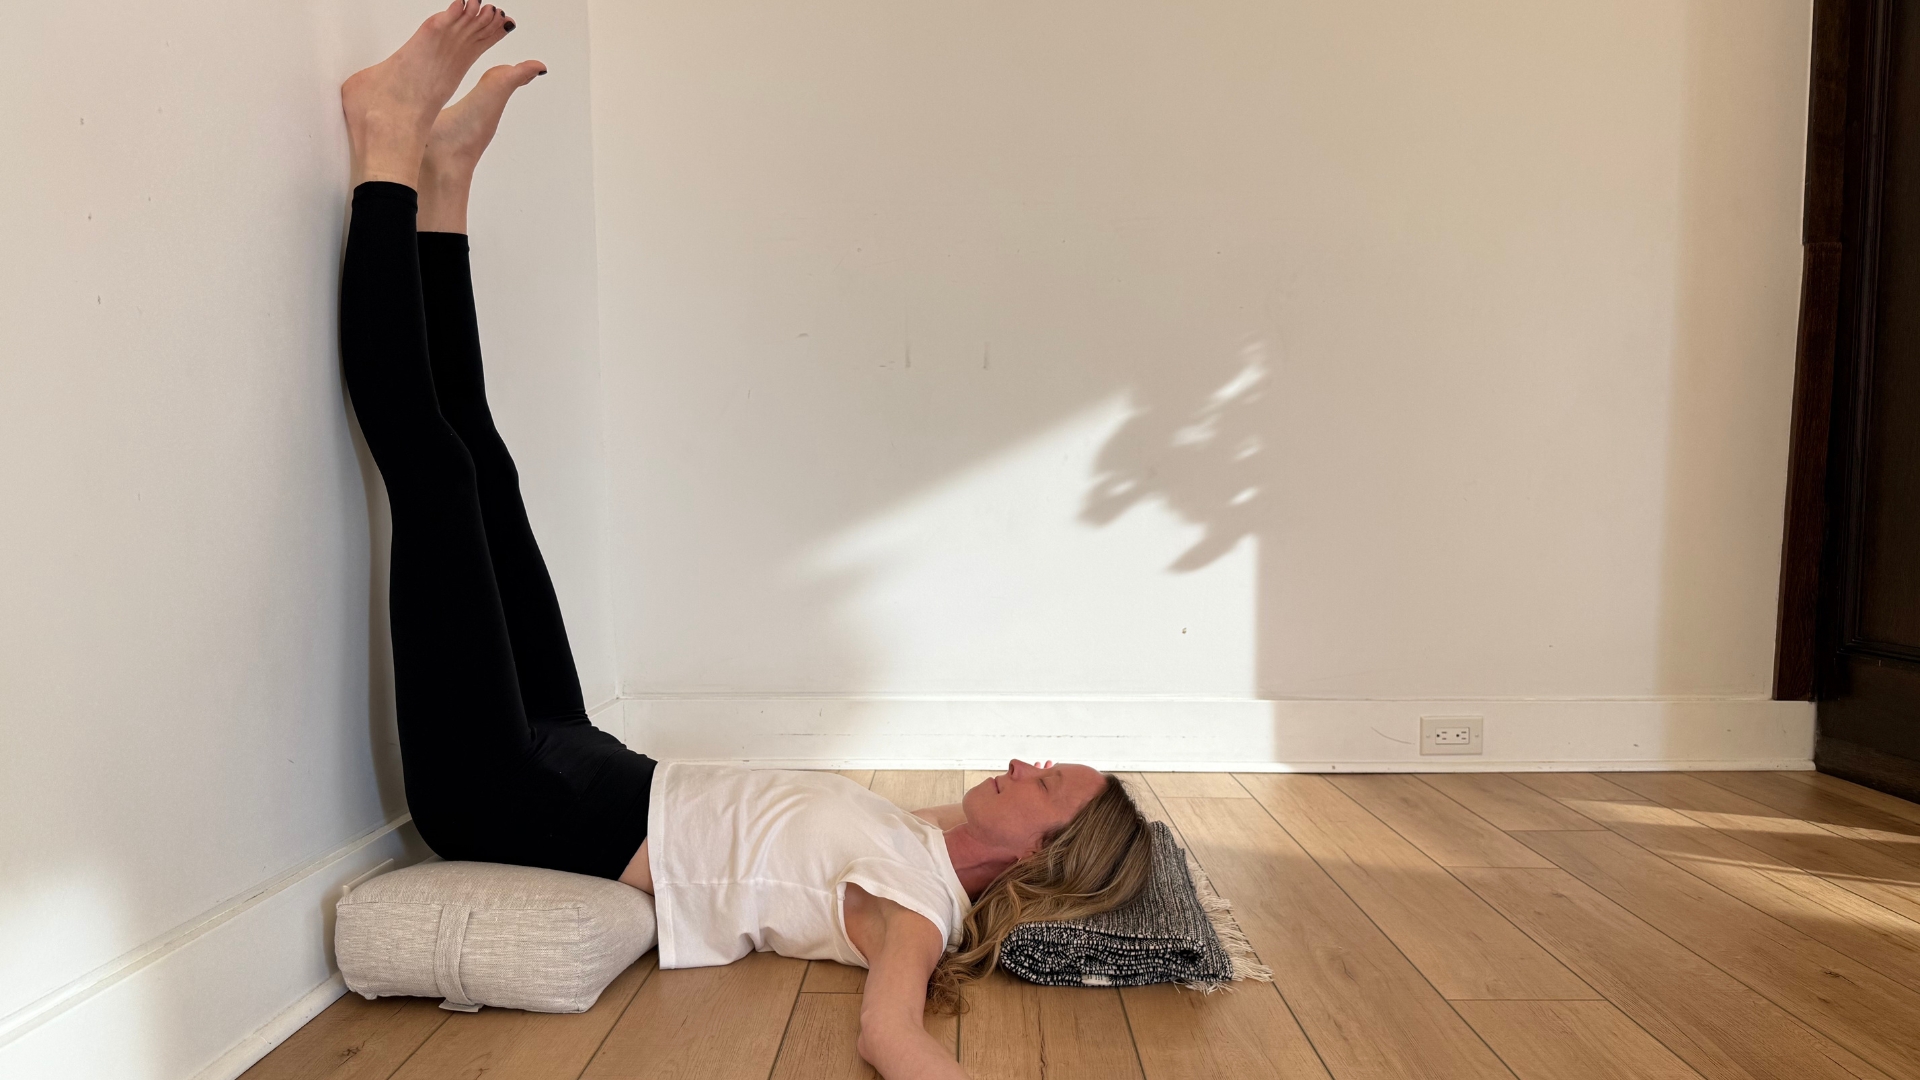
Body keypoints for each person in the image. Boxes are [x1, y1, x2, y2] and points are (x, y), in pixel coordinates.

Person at [337, 5, 1155, 1076]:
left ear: (1037, 858)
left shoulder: (914, 912)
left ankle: (383, 143)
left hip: (511, 795)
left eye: (1047, 783)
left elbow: (893, 1036)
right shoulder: (924, 839)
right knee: (487, 471)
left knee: (435, 476)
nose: (1021, 762)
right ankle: (441, 189)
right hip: (588, 758)